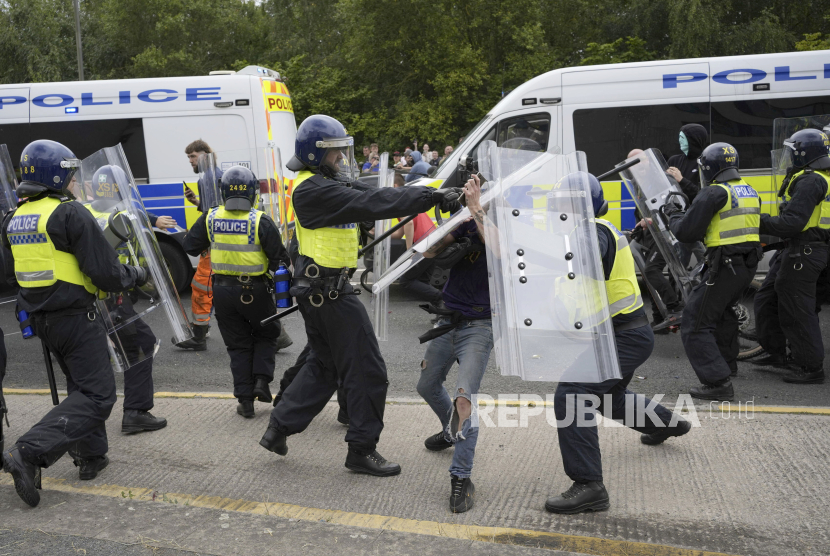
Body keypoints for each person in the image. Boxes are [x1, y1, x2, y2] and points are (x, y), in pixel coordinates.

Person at [258, 114, 463, 476]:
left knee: (325, 365)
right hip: (329, 294)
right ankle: (361, 450)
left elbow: (369, 194)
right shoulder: (314, 189)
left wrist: (433, 194)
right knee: (368, 371)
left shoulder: (323, 182)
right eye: (335, 153)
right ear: (314, 154)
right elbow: (379, 200)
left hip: (321, 290)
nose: (341, 159)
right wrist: (431, 197)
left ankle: (279, 427)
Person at [1, 140, 147, 507]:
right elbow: (106, 273)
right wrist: (136, 273)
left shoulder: (14, 218)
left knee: (81, 386)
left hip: (43, 320)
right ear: (55, 174)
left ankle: (90, 455)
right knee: (99, 395)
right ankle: (29, 451)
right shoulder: (69, 213)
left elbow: (10, 273)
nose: (72, 183)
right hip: (77, 319)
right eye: (68, 175)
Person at [546, 172, 688, 514]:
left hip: (622, 335)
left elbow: (590, 257)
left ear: (579, 205)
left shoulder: (592, 232)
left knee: (573, 394)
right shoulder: (585, 233)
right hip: (621, 335)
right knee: (609, 397)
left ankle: (589, 486)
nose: (556, 210)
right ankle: (669, 424)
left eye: (562, 203)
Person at [182, 166, 290, 418]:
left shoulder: (210, 217)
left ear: (223, 192)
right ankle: (262, 383)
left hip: (222, 292)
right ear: (253, 193)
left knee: (238, 345)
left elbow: (189, 246)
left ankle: (245, 401)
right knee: (266, 335)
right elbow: (280, 259)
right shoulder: (260, 220)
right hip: (257, 290)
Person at [415, 173, 492, 512]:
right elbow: (428, 252)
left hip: (480, 325)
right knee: (427, 384)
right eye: (473, 194)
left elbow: (503, 252)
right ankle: (451, 431)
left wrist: (476, 210)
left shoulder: (503, 226)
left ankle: (461, 476)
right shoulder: (464, 223)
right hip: (448, 319)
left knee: (464, 402)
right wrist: (451, 214)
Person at [666, 143, 762, 401]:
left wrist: (673, 212)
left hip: (726, 265)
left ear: (708, 168)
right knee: (721, 314)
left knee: (695, 323)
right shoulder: (748, 190)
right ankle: (727, 365)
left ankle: (718, 382)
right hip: (744, 266)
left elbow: (686, 231)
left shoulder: (713, 193)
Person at [83, 165, 169, 435]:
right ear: (121, 188)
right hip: (111, 296)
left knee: (92, 355)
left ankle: (86, 418)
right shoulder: (120, 215)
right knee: (140, 346)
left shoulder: (83, 212)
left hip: (85, 297)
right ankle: (135, 412)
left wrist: (152, 220)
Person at [753, 128, 830, 384]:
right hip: (799, 248)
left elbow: (791, 223)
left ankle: (810, 367)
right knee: (767, 298)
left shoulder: (811, 180)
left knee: (797, 309)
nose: (789, 157)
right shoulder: (815, 176)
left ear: (804, 154)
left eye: (792, 152)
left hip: (805, 251)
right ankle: (775, 351)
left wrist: (754, 220)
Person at [175, 140, 221, 351]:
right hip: (220, 243)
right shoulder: (215, 176)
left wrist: (196, 240)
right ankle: (200, 331)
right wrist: (197, 202)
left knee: (202, 287)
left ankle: (199, 336)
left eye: (193, 156)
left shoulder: (209, 178)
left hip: (216, 246)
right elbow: (214, 209)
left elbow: (212, 216)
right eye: (189, 158)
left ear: (205, 154)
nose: (191, 161)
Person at [389, 173, 441, 304]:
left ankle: (444, 299)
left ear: (394, 186)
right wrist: (378, 234)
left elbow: (409, 223)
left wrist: (409, 250)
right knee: (422, 281)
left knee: (406, 281)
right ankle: (442, 308)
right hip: (434, 240)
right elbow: (400, 232)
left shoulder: (400, 201)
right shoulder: (408, 198)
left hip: (425, 243)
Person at [666, 124, 708, 266]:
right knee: (677, 266)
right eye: (679, 138)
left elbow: (704, 194)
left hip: (698, 221)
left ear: (693, 140)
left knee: (706, 262)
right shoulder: (674, 160)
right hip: (679, 220)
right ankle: (680, 287)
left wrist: (681, 180)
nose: (680, 142)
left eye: (683, 138)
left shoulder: (705, 162)